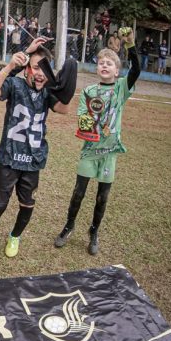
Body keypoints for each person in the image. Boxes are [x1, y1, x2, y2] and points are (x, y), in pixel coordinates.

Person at [0, 40, 76, 259]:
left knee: (27, 205)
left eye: (44, 68)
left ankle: (15, 236)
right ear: (26, 70)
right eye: (35, 67)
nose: (40, 73)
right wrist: (11, 65)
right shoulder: (15, 84)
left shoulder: (48, 91)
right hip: (9, 157)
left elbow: (63, 109)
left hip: (33, 159)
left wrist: (68, 85)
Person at [55, 30, 139, 255]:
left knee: (102, 197)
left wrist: (130, 45)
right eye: (101, 62)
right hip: (90, 150)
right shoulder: (89, 91)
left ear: (116, 70)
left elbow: (137, 71)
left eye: (109, 63)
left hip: (109, 152)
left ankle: (94, 232)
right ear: (97, 67)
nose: (104, 66)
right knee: (78, 192)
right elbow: (82, 116)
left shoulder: (122, 89)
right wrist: (87, 123)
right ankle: (68, 226)